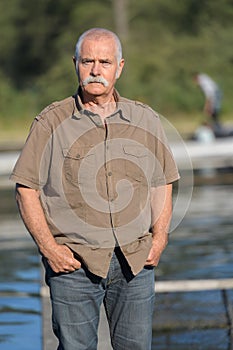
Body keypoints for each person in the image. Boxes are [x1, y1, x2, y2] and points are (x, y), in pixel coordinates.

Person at [11, 28, 179, 350]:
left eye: (105, 61)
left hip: (135, 262)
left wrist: (159, 239)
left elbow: (162, 182)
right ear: (75, 63)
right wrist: (50, 249)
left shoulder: (145, 119)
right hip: (73, 264)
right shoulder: (50, 122)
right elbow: (25, 189)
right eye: (88, 61)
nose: (96, 70)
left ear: (120, 67)